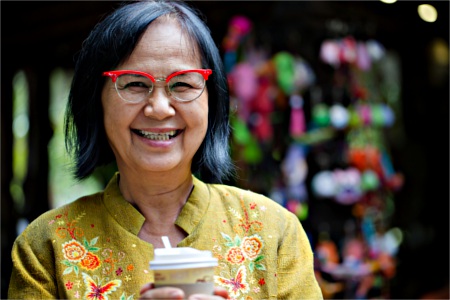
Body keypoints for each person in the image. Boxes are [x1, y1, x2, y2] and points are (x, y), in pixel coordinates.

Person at [8, 1, 322, 299]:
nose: (159, 108)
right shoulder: (46, 247)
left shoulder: (274, 232)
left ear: (211, 101)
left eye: (183, 84)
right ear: (95, 101)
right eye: (133, 84)